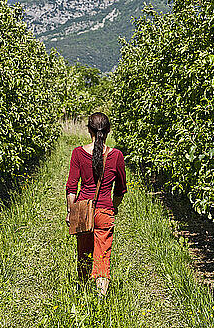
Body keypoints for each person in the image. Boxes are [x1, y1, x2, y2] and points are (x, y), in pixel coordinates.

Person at [65, 112, 127, 296]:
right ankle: (100, 303)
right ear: (108, 130)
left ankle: (83, 295)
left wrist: (71, 211)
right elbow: (120, 189)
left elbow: (71, 187)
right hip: (104, 211)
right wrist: (113, 207)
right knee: (102, 257)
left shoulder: (78, 153)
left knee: (83, 254)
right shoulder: (116, 155)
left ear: (89, 130)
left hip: (83, 210)